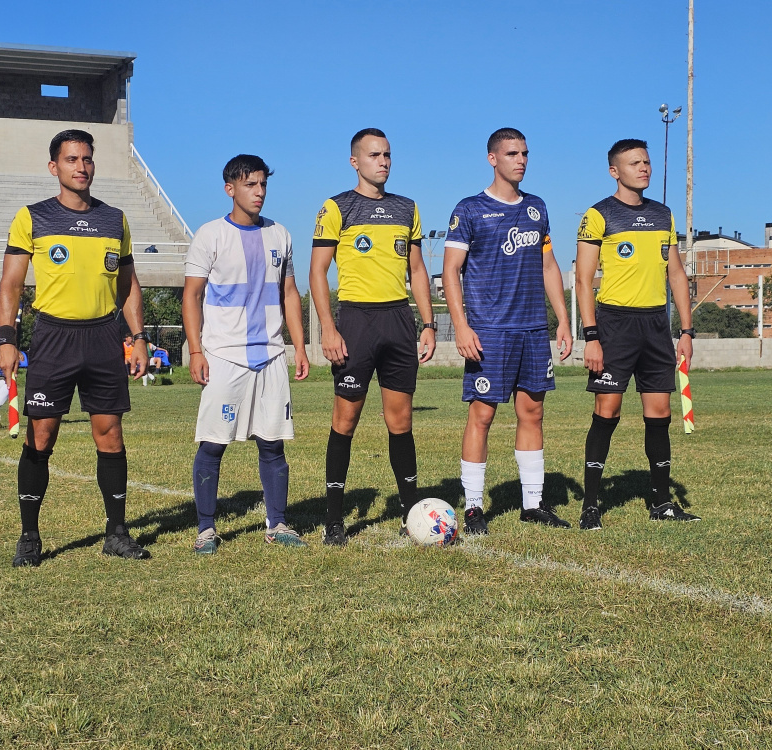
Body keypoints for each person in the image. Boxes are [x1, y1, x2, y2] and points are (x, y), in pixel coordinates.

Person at [0, 128, 151, 567]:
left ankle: (116, 533)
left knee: (110, 435)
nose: (81, 167)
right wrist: (7, 339)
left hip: (103, 337)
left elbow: (128, 284)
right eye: (71, 160)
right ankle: (29, 535)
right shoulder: (32, 217)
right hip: (53, 337)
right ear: (54, 167)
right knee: (41, 435)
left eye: (87, 159)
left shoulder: (114, 219)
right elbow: (9, 284)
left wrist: (137, 337)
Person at [443, 127, 573, 535]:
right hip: (489, 331)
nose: (521, 160)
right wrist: (461, 326)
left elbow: (549, 266)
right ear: (492, 158)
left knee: (532, 412)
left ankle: (532, 504)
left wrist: (564, 320)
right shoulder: (469, 209)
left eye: (525, 153)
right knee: (482, 415)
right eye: (512, 153)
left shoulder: (537, 207)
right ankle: (475, 506)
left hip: (533, 330)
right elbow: (450, 271)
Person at [309, 128, 437, 546]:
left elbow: (417, 271)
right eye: (374, 155)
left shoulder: (407, 208)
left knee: (400, 421)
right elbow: (317, 272)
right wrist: (328, 327)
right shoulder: (337, 207)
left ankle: (411, 513)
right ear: (355, 162)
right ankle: (334, 520)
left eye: (387, 155)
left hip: (399, 322)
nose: (383, 161)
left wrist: (428, 323)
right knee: (344, 421)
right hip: (356, 323)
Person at [182, 154, 310, 554]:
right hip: (224, 356)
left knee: (273, 443)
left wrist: (299, 346)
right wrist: (197, 350)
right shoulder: (210, 235)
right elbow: (193, 294)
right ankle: (206, 529)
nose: (259, 192)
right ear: (230, 189)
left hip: (271, 356)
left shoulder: (281, 235)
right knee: (213, 443)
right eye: (250, 184)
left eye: (263, 185)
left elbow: (289, 293)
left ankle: (278, 524)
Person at [575, 138, 700, 530]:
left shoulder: (664, 215)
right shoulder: (598, 215)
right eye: (634, 163)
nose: (643, 168)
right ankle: (591, 505)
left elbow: (676, 273)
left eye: (646, 162)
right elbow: (582, 280)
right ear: (615, 171)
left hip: (655, 327)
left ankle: (661, 503)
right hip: (614, 326)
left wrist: (686, 330)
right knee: (606, 411)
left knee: (659, 413)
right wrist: (590, 335)